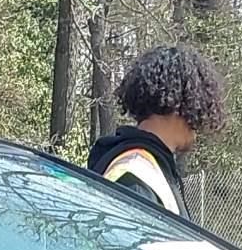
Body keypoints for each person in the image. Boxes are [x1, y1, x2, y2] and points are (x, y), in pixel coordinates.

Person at [86, 44, 227, 216]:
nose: (200, 119)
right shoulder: (134, 178)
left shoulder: (150, 169)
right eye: (198, 106)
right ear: (179, 103)